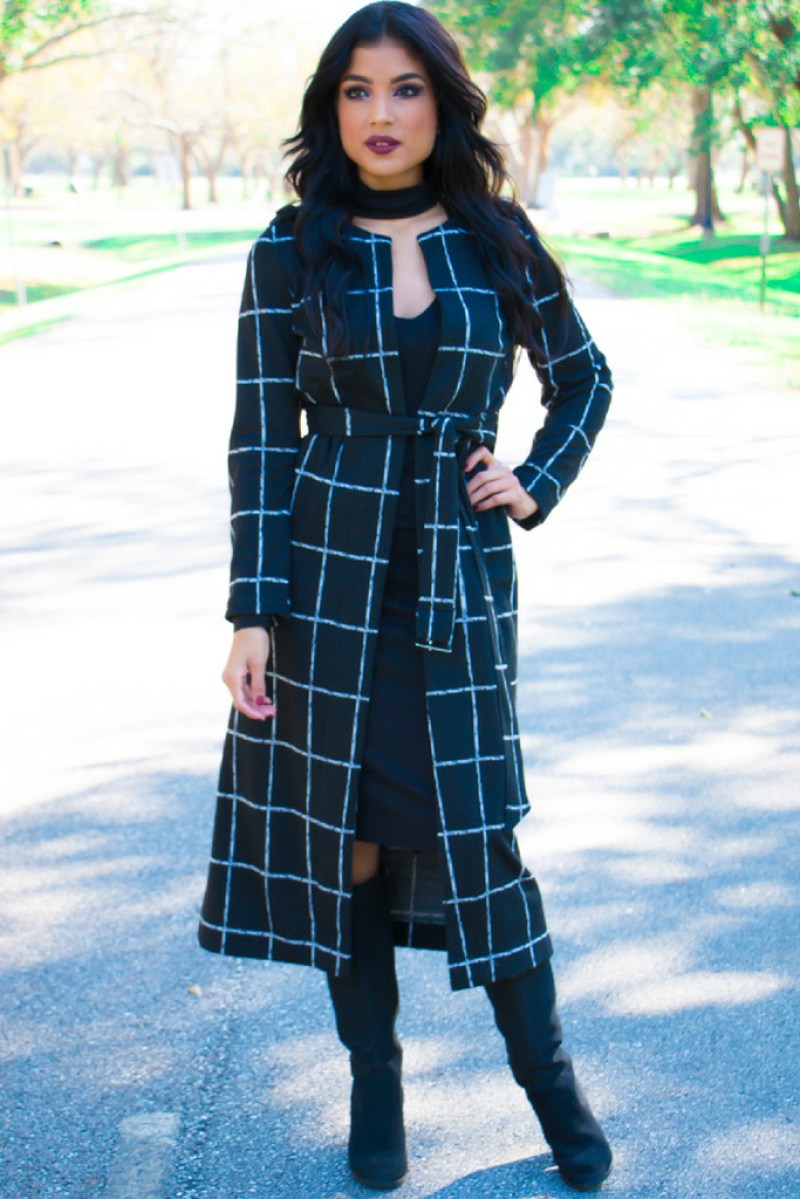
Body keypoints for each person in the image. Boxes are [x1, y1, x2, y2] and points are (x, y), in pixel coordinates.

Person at [198, 2, 613, 1191]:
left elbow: (582, 377)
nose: (379, 114)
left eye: (404, 88)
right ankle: (372, 1081)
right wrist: (251, 612)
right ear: (330, 109)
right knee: (350, 843)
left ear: (444, 102)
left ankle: (554, 1089)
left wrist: (531, 479)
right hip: (326, 589)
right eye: (356, 91)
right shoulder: (292, 249)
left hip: (456, 583)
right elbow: (260, 441)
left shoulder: (497, 237)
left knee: (481, 838)